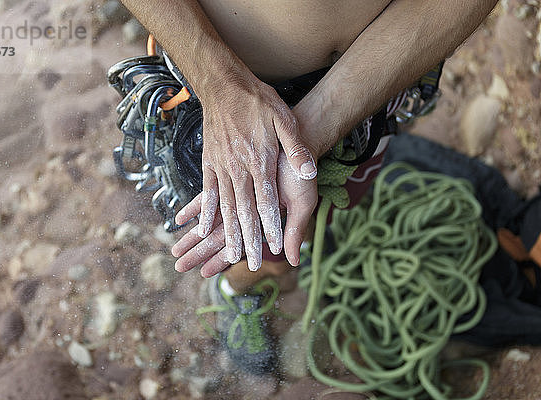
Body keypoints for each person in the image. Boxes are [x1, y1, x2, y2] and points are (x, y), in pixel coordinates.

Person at [121, 0, 498, 373]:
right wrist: (222, 87)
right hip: (224, 87)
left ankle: (294, 247)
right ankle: (239, 291)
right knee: (255, 248)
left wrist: (316, 128)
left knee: (315, 216)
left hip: (377, 83)